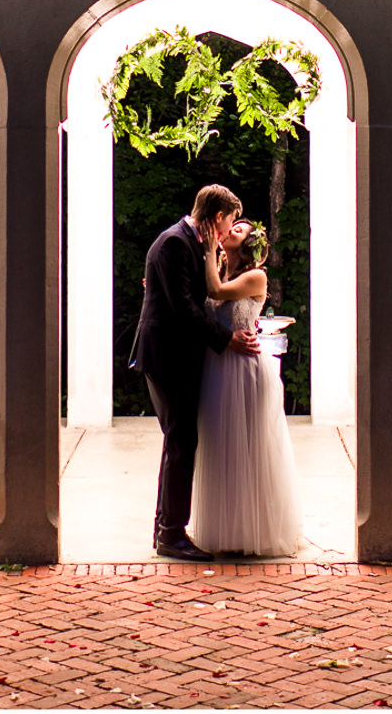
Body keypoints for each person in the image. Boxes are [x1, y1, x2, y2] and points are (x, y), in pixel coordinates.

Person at [125, 185, 259, 563]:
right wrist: (226, 339)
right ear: (218, 217)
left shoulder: (190, 244)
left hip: (175, 355)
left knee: (178, 441)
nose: (232, 226)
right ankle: (171, 535)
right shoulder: (174, 243)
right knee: (182, 441)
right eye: (231, 219)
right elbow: (184, 308)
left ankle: (164, 527)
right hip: (167, 356)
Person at [188, 216, 306, 557]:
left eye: (238, 230)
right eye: (231, 227)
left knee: (250, 449)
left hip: (245, 369)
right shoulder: (221, 269)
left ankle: (258, 530)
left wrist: (209, 248)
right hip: (217, 366)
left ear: (251, 244)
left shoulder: (255, 276)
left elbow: (216, 293)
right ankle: (230, 530)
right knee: (223, 448)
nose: (230, 230)